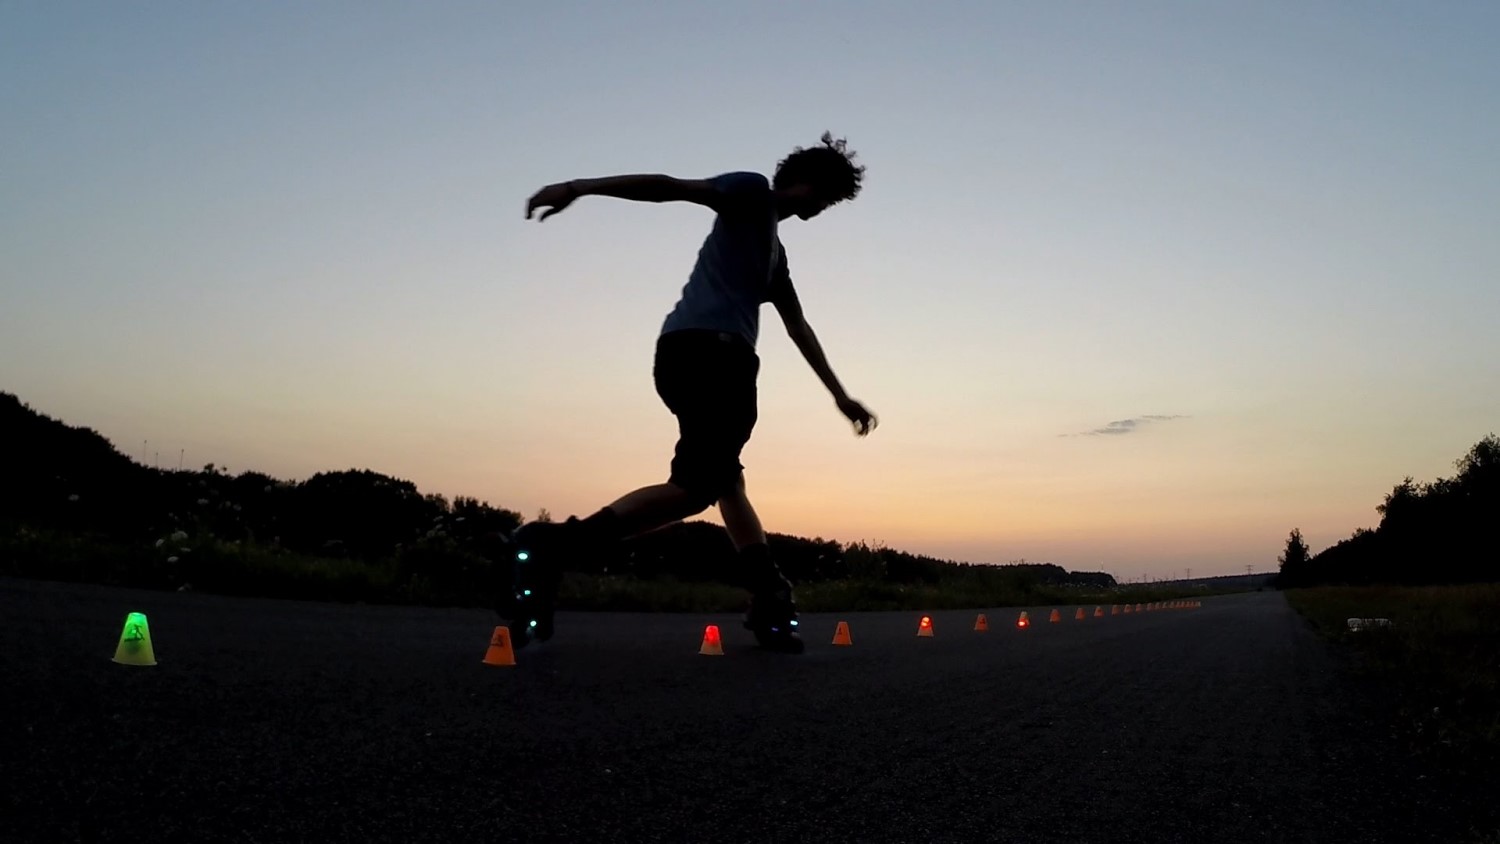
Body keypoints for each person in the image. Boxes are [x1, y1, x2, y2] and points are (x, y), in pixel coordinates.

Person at [509, 132, 878, 653]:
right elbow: (668, 188)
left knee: (726, 480)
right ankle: (552, 546)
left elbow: (798, 326)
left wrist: (839, 395)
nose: (821, 212)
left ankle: (769, 597)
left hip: (705, 358)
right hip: (711, 356)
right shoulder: (750, 193)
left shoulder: (775, 253)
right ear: (811, 183)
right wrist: (580, 187)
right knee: (699, 487)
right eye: (826, 199)